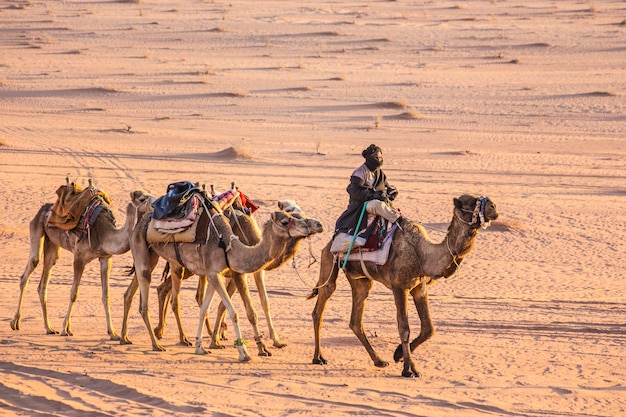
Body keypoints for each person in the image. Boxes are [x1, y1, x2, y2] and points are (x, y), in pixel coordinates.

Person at [334, 144, 402, 237]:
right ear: (369, 157)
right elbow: (355, 192)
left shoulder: (380, 173)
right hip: (362, 205)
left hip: (379, 201)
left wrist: (391, 192)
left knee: (387, 205)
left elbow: (385, 187)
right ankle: (399, 221)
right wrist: (373, 195)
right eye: (376, 157)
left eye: (380, 157)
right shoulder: (359, 172)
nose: (378, 159)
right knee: (378, 205)